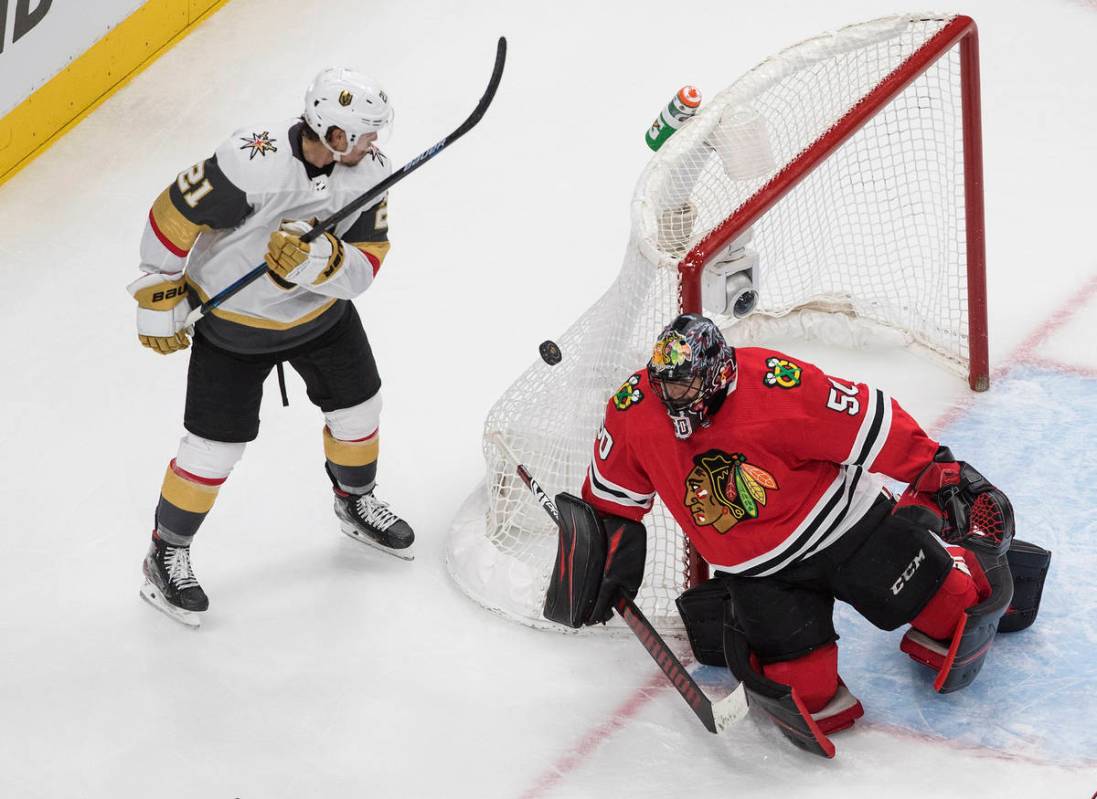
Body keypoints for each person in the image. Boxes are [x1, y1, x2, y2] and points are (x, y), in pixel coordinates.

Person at [573, 313, 1019, 743]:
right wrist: (599, 551)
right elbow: (611, 499)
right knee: (810, 697)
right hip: (760, 573)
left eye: (683, 384)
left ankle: (965, 565)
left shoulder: (776, 383)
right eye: (663, 383)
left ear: (716, 375)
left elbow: (869, 419)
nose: (671, 396)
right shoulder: (634, 409)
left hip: (847, 527)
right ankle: (739, 614)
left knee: (954, 610)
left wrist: (933, 468)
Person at [130, 68, 414, 627]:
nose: (375, 144)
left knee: (360, 412)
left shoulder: (370, 175)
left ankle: (355, 501)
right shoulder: (251, 163)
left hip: (321, 318)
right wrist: (156, 290)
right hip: (235, 328)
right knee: (212, 451)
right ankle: (166, 553)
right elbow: (173, 215)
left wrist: (323, 263)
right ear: (332, 132)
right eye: (363, 134)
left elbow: (367, 264)